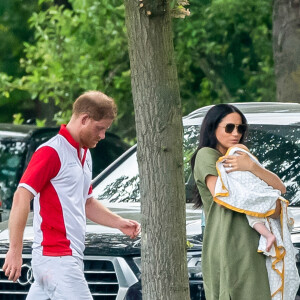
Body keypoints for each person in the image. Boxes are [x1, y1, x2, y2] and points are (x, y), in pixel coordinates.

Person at [2, 91, 141, 299]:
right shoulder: (51, 151)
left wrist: (118, 222)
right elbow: (21, 196)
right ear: (84, 119)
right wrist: (15, 251)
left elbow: (86, 203)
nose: (103, 136)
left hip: (60, 260)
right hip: (57, 259)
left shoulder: (85, 154)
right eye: (100, 128)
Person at [191, 104, 286, 300]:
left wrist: (252, 166)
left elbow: (281, 189)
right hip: (228, 243)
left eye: (240, 128)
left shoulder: (242, 158)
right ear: (212, 128)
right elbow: (227, 195)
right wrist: (273, 206)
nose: (236, 133)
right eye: (229, 127)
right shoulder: (207, 155)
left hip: (257, 244)